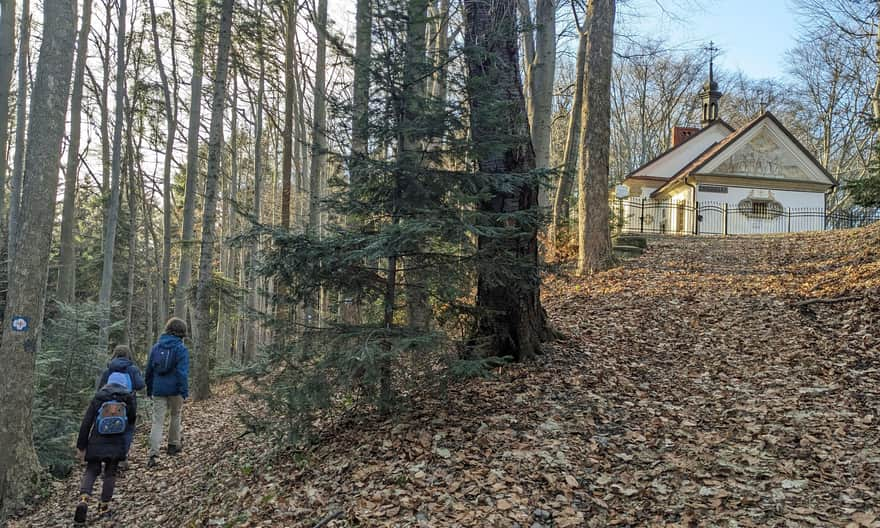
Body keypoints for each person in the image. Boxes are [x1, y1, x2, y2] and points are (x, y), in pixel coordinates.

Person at [74, 372, 137, 523]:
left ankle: (84, 498)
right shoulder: (128, 398)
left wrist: (81, 446)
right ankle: (104, 506)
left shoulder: (99, 397)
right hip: (117, 442)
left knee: (91, 470)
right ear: (123, 384)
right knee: (110, 473)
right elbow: (132, 421)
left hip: (97, 440)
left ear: (108, 382)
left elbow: (86, 423)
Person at [145, 317, 190, 468]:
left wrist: (149, 388)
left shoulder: (156, 347)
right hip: (175, 389)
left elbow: (149, 371)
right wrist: (184, 391)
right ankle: (173, 445)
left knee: (157, 421)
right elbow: (182, 373)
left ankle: (153, 453)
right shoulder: (181, 349)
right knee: (175, 415)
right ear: (182, 333)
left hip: (158, 389)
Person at [98, 345, 145, 457]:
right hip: (128, 403)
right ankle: (122, 456)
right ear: (128, 355)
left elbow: (100, 388)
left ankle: (108, 454)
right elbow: (140, 385)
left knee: (108, 428)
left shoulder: (108, 370)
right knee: (128, 429)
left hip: (108, 405)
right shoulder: (132, 369)